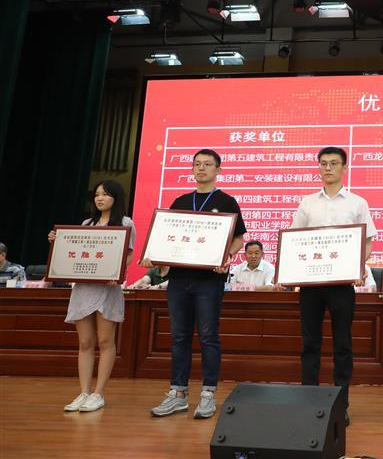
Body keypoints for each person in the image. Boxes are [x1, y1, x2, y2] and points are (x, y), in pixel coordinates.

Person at [143, 149, 246, 419]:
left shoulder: (227, 201)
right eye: (197, 164)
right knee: (179, 337)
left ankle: (208, 394)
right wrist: (155, 255)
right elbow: (166, 237)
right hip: (179, 280)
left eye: (207, 164)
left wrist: (228, 255)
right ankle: (178, 394)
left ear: (218, 170)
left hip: (209, 281)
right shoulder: (180, 201)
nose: (201, 168)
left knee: (209, 336)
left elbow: (238, 238)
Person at [290, 146, 377, 426]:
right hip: (311, 285)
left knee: (343, 345)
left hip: (341, 285)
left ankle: (341, 404)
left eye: (334, 163)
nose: (328, 168)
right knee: (310, 343)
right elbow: (294, 239)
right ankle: (309, 401)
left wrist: (358, 267)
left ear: (344, 167)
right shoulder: (307, 203)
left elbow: (367, 240)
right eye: (323, 163)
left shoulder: (357, 203)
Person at [47, 180, 136, 413]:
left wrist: (117, 271)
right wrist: (58, 241)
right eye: (97, 194)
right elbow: (75, 252)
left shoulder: (126, 223)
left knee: (105, 341)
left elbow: (128, 255)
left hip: (107, 289)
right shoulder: (87, 224)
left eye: (105, 194)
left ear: (116, 197)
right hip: (84, 289)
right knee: (85, 342)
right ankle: (84, 392)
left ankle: (98, 393)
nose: (100, 198)